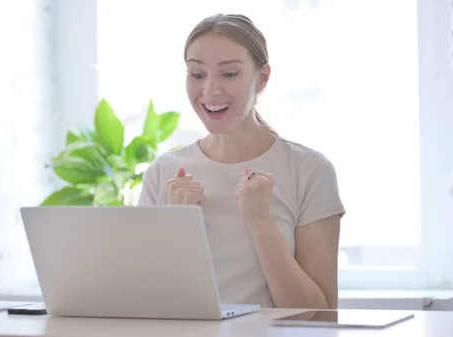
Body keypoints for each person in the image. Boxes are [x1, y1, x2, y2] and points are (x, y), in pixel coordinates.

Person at [137, 13, 346, 309]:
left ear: (261, 79)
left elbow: (320, 318)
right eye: (197, 75)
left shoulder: (309, 171)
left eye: (229, 74)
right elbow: (145, 306)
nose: (210, 90)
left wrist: (260, 222)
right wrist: (176, 229)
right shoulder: (163, 174)